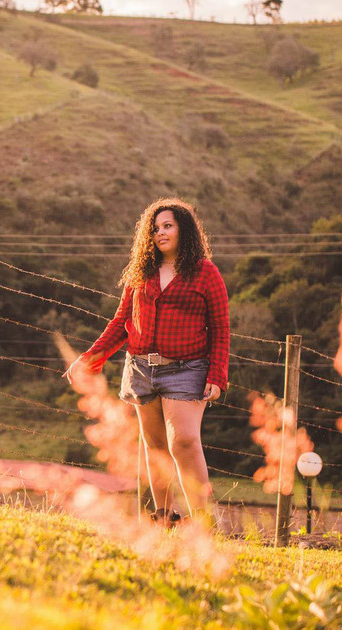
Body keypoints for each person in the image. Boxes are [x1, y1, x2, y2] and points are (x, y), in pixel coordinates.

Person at [65, 198, 228, 526]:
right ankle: (163, 517)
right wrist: (89, 360)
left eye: (168, 226)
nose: (161, 233)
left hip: (187, 369)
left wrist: (218, 375)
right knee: (154, 447)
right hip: (140, 368)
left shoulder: (205, 272)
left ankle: (204, 523)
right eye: (155, 228)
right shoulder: (142, 271)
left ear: (184, 229)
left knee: (182, 441)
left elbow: (221, 327)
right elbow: (121, 322)